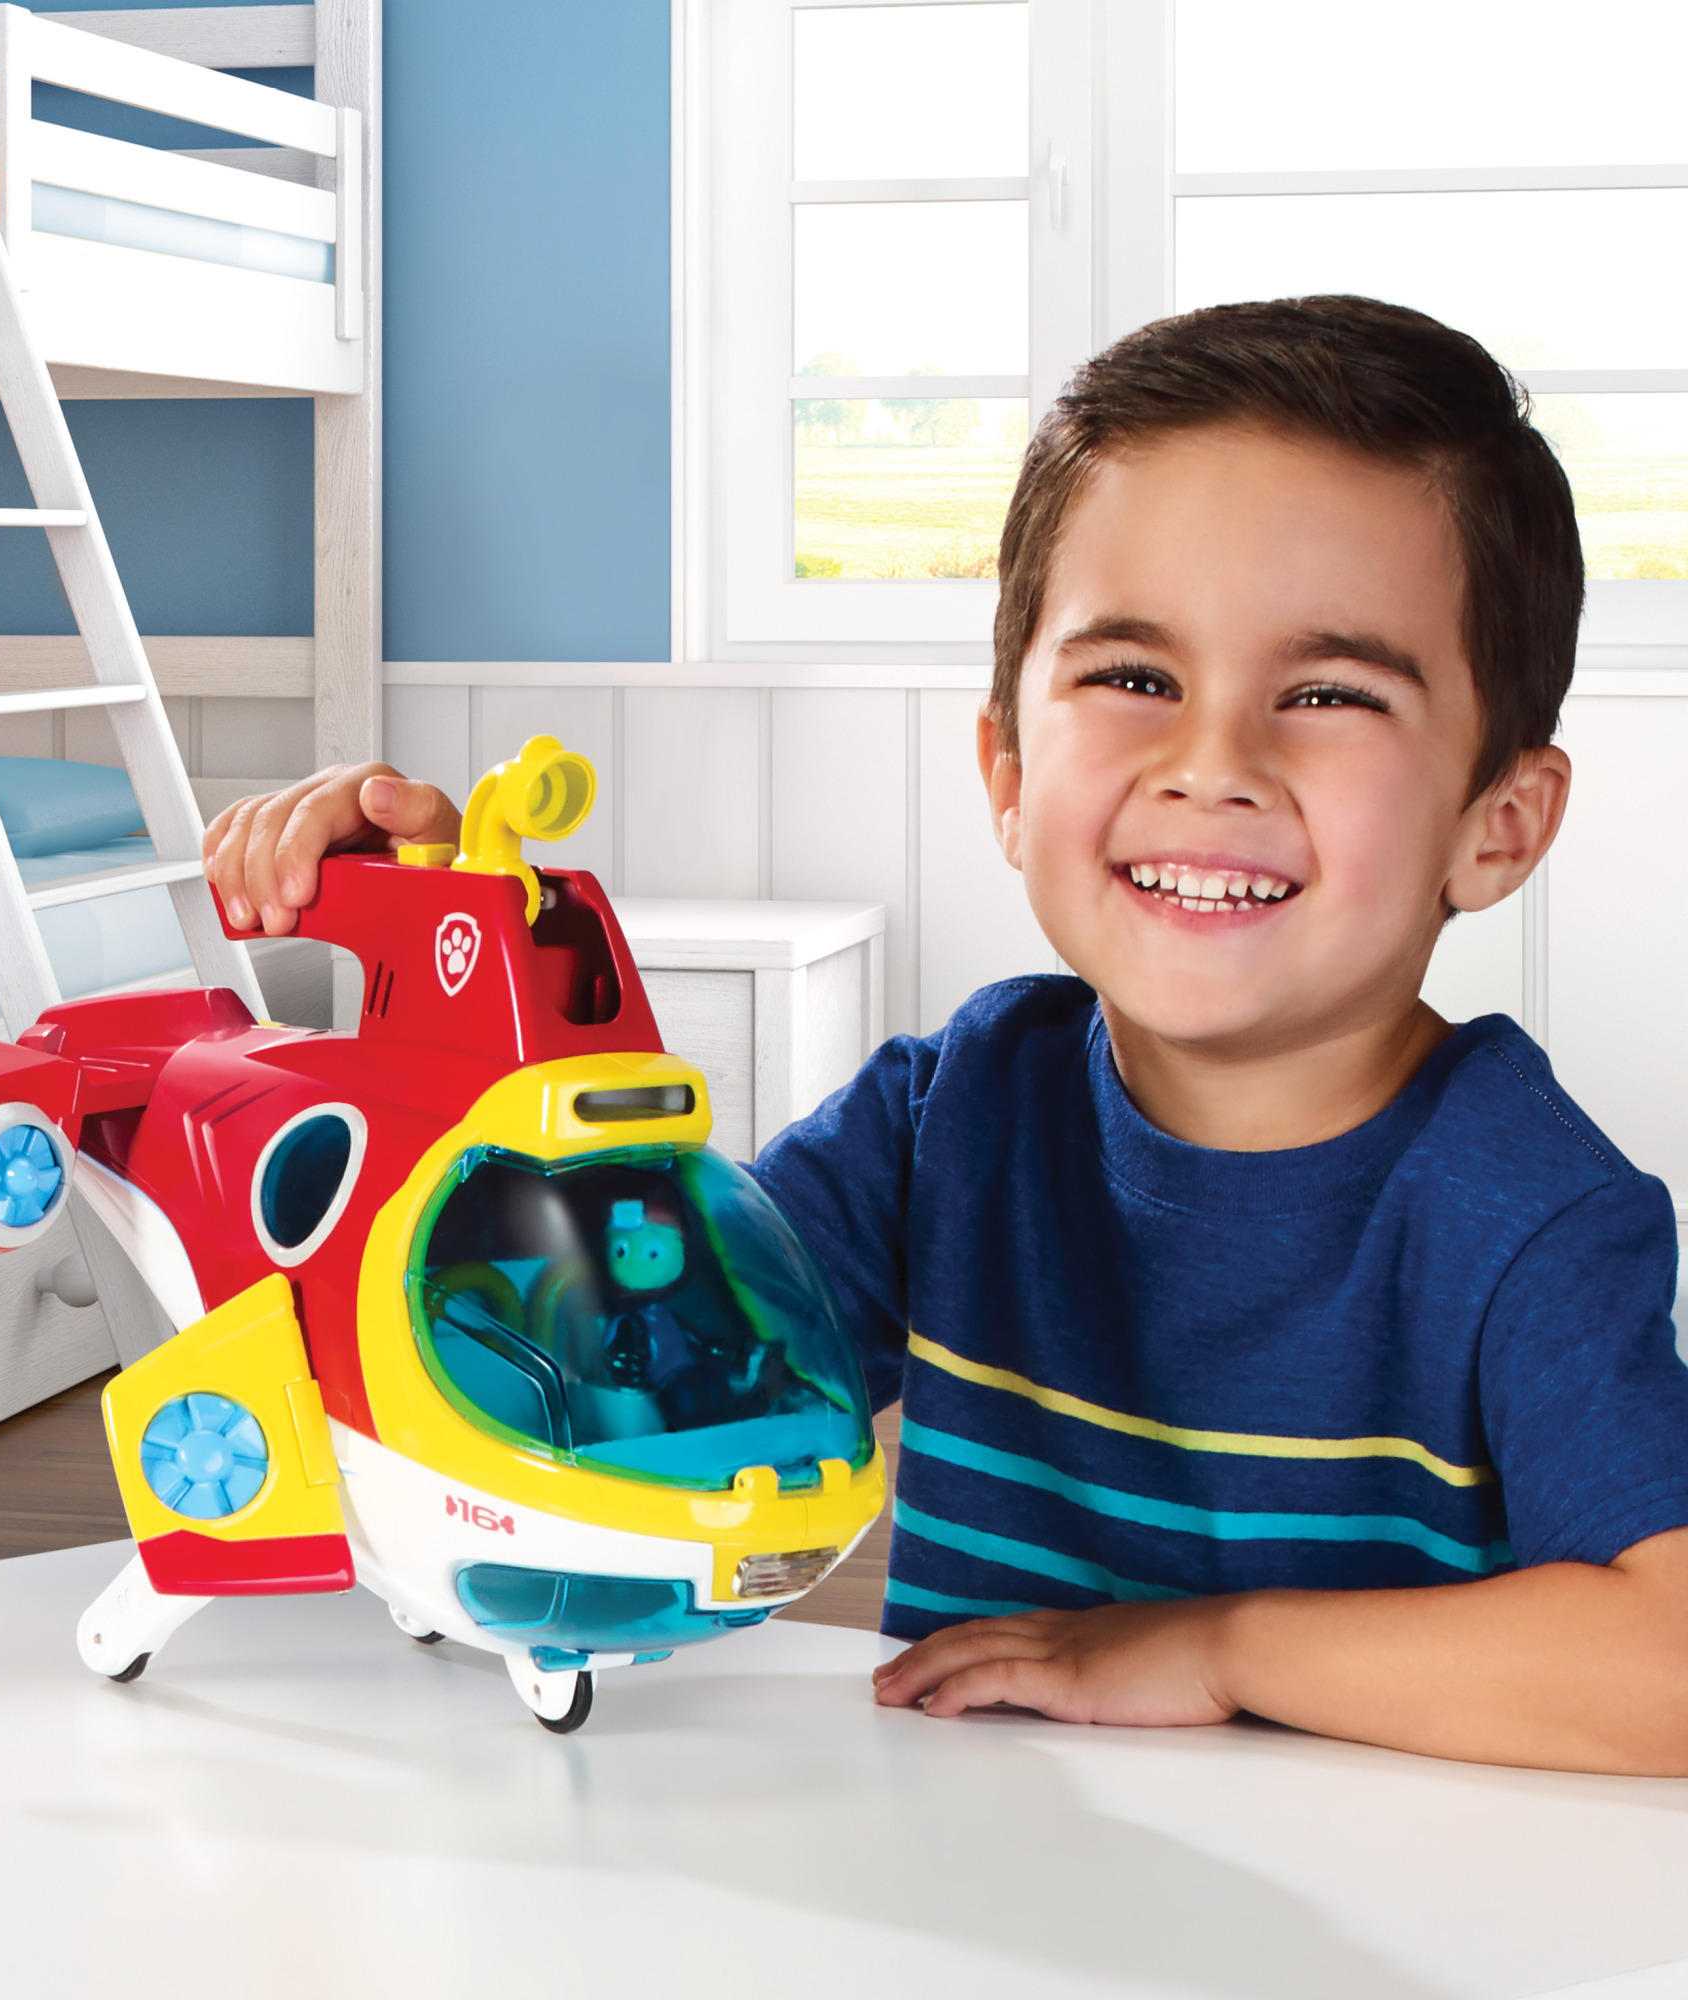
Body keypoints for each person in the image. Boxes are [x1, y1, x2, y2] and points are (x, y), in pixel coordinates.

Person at [203, 296, 1688, 1776]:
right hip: (965, 1862)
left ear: (1500, 824)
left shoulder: (1534, 1217)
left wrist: (1214, 1650)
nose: (1212, 764)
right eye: (1135, 679)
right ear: (1008, 773)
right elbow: (613, 1360)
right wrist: (471, 981)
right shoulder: (948, 1121)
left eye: (1328, 694)